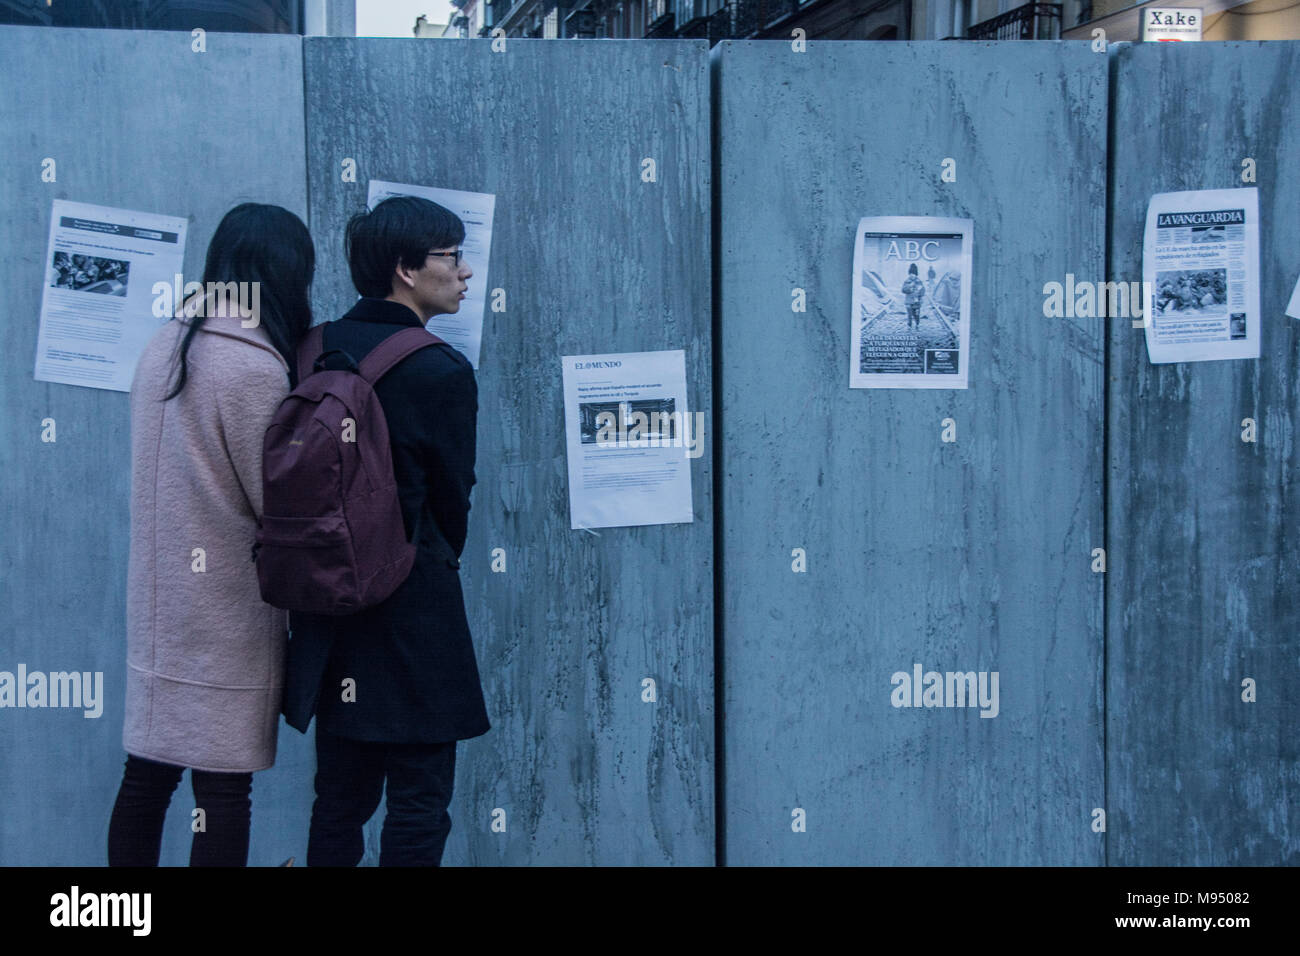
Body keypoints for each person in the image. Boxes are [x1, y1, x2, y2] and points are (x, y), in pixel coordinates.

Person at [282, 195, 491, 867]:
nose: (464, 271)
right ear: (406, 269)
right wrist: (423, 559)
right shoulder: (440, 369)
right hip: (414, 608)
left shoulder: (312, 350)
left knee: (338, 799)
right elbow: (452, 500)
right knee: (419, 799)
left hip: (328, 606)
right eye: (451, 256)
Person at [108, 203, 315, 866]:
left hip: (161, 604)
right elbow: (275, 500)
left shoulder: (168, 343)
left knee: (147, 776)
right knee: (222, 791)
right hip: (224, 612)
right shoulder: (253, 368)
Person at [902, 262, 924, 330]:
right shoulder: (907, 281)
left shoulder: (919, 281)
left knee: (916, 314)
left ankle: (917, 324)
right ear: (909, 274)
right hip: (908, 301)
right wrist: (909, 286)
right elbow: (903, 290)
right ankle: (909, 326)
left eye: (913, 274)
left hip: (917, 301)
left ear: (916, 274)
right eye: (911, 274)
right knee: (909, 314)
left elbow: (922, 291)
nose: (912, 275)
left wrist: (920, 297)